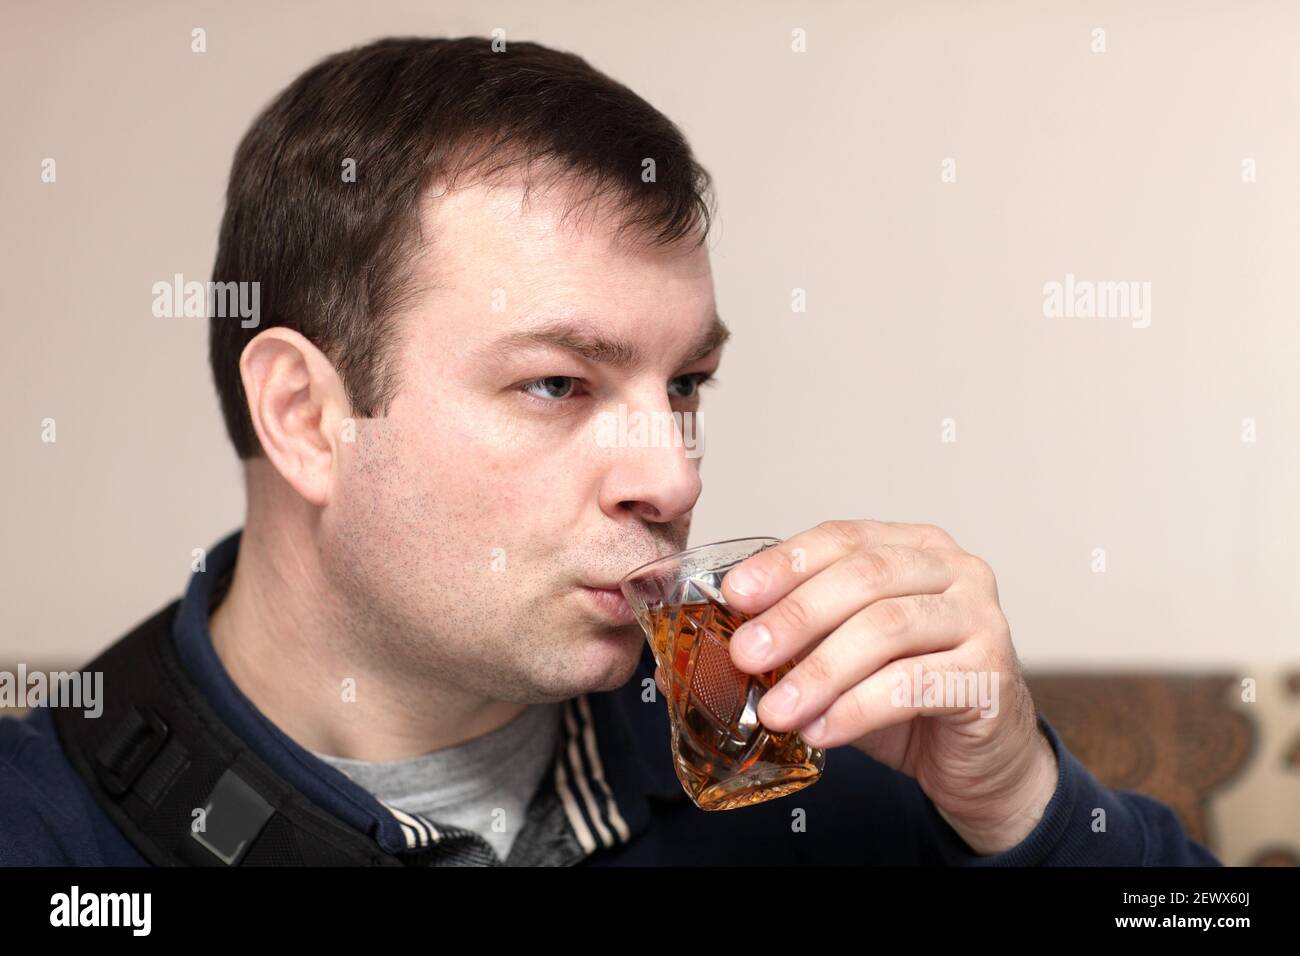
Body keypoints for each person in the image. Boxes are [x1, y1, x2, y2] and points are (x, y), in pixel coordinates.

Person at [0, 36, 1220, 866]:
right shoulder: (40, 826)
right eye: (556, 382)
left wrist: (1021, 806)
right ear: (307, 416)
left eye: (686, 382)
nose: (675, 475)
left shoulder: (801, 776)